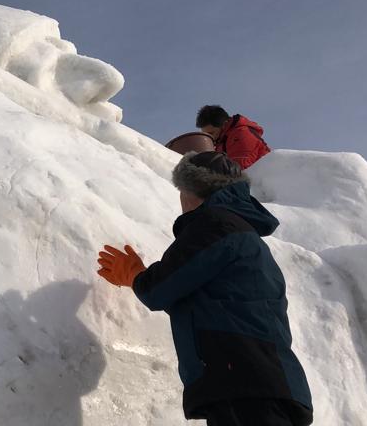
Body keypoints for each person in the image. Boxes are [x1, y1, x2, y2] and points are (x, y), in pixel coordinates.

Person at [97, 151, 313, 426]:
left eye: (181, 191)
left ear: (192, 191)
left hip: (243, 383)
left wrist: (134, 275)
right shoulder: (244, 234)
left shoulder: (217, 225)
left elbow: (161, 287)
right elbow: (210, 302)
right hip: (262, 382)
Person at [195, 105, 270, 169]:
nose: (209, 137)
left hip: (262, 180)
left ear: (224, 125)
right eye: (205, 134)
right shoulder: (221, 142)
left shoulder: (241, 134)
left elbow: (239, 167)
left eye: (211, 133)